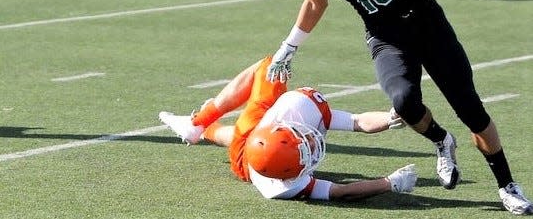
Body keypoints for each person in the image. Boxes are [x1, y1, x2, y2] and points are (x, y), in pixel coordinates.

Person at [265, 0, 533, 215]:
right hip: (385, 34)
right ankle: (441, 141)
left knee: (471, 109)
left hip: (425, 21)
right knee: (404, 102)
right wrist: (288, 46)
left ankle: (507, 185)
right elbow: (315, 2)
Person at [159, 55, 417, 200]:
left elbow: (358, 121)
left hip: (259, 130)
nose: (314, 142)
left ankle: (198, 124)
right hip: (247, 162)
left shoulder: (294, 108)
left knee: (268, 67)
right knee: (236, 136)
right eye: (306, 151)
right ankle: (202, 130)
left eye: (305, 141)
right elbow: (341, 192)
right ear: (290, 174)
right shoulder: (282, 187)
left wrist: (391, 117)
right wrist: (389, 183)